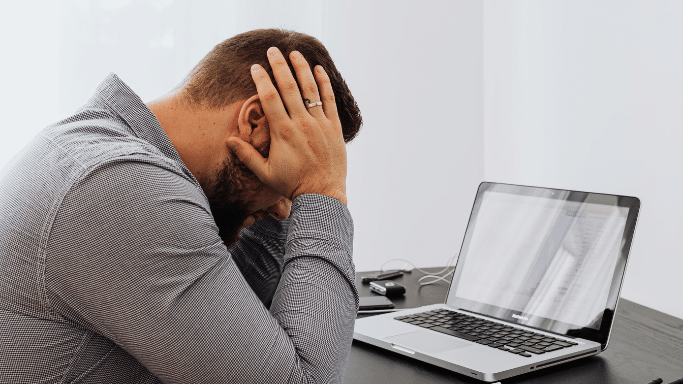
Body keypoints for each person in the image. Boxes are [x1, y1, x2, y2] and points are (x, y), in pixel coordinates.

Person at [0, 29, 362, 383]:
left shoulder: (100, 150)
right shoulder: (123, 187)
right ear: (255, 123)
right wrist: (321, 189)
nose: (286, 209)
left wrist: (293, 185)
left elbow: (247, 316)